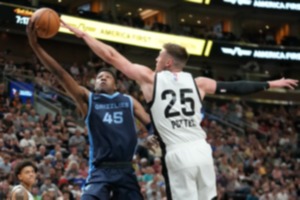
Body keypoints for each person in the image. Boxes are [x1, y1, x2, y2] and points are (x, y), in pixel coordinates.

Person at [62, 22, 299, 200]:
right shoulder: (200, 83)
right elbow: (236, 87)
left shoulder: (151, 80)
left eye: (159, 56)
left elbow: (111, 55)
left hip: (177, 154)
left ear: (167, 63)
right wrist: (271, 84)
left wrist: (83, 34)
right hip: (203, 151)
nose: (155, 58)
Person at [27, 21, 153, 200]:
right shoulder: (88, 99)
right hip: (100, 170)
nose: (102, 79)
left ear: (115, 84)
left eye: (107, 77)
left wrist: (153, 134)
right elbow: (60, 74)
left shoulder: (128, 100)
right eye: (99, 77)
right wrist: (35, 46)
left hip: (125, 169)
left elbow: (150, 123)